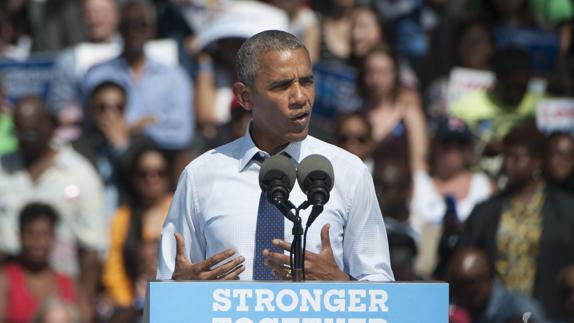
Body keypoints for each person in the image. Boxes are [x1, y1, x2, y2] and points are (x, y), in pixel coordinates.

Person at [156, 30, 394, 282]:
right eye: (281, 86)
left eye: (307, 81)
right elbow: (168, 284)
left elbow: (380, 288)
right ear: (245, 97)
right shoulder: (200, 176)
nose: (300, 97)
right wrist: (181, 291)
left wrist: (340, 283)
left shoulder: (349, 172)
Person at [0, 96, 106, 319]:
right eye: (17, 133)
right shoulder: (2, 168)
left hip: (63, 293)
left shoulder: (80, 174)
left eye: (29, 133)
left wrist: (83, 302)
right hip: (10, 286)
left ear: (49, 128)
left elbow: (91, 250)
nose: (23, 140)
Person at [459, 121, 574, 321]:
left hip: (549, 312)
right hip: (498, 315)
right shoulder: (486, 210)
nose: (508, 164)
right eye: (506, 156)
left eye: (517, 157)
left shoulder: (565, 209)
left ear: (537, 161)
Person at [82, 0, 194, 152]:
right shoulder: (97, 74)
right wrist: (150, 123)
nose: (133, 31)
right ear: (119, 29)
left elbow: (182, 134)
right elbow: (90, 126)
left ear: (152, 30)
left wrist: (132, 131)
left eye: (140, 25)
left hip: (157, 164)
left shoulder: (174, 77)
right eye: (128, 25)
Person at [102, 144, 171, 313]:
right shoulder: (122, 218)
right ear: (134, 178)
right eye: (144, 174)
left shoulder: (182, 207)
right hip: (132, 307)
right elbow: (114, 268)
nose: (152, 179)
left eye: (159, 173)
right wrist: (129, 303)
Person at [72, 80, 155, 219]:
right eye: (102, 108)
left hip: (129, 223)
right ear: (91, 110)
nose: (110, 114)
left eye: (117, 107)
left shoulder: (142, 144)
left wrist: (121, 148)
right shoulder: (77, 147)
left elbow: (143, 183)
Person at [0, 203, 78, 323]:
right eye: (30, 234)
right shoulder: (5, 281)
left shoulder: (69, 284)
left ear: (54, 237)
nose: (37, 242)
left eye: (44, 234)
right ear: (19, 236)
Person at [358, 44, 428, 173]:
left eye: (383, 72)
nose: (376, 79)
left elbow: (419, 163)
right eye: (371, 72)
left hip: (399, 189)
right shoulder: (357, 115)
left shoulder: (410, 114)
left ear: (395, 74)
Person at [447, 247, 545, 323]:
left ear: (488, 278)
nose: (462, 290)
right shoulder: (456, 307)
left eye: (468, 283)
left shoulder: (519, 308)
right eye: (456, 283)